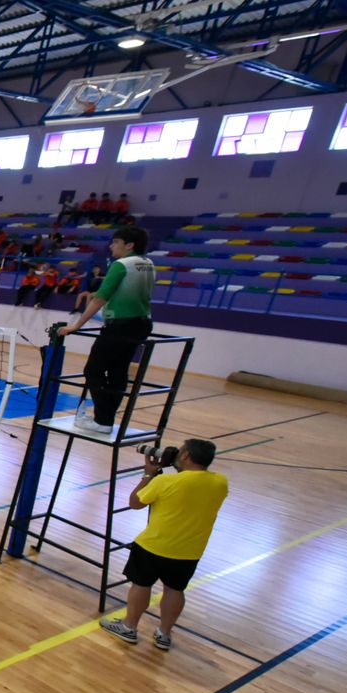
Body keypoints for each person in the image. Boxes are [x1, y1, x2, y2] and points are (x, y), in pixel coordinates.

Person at [100, 439, 229, 650]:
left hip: (153, 546)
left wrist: (149, 474)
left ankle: (129, 627)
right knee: (175, 590)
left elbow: (135, 503)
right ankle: (164, 634)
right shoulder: (220, 482)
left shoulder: (165, 482)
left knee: (141, 585)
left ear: (186, 456)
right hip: (189, 552)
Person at [58, 226, 155, 434]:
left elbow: (100, 298)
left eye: (115, 242)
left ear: (129, 245)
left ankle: (103, 420)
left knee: (93, 370)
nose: (111, 246)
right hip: (142, 324)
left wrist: (76, 325)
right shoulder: (148, 263)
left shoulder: (121, 265)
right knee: (118, 371)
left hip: (120, 325)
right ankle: (106, 419)